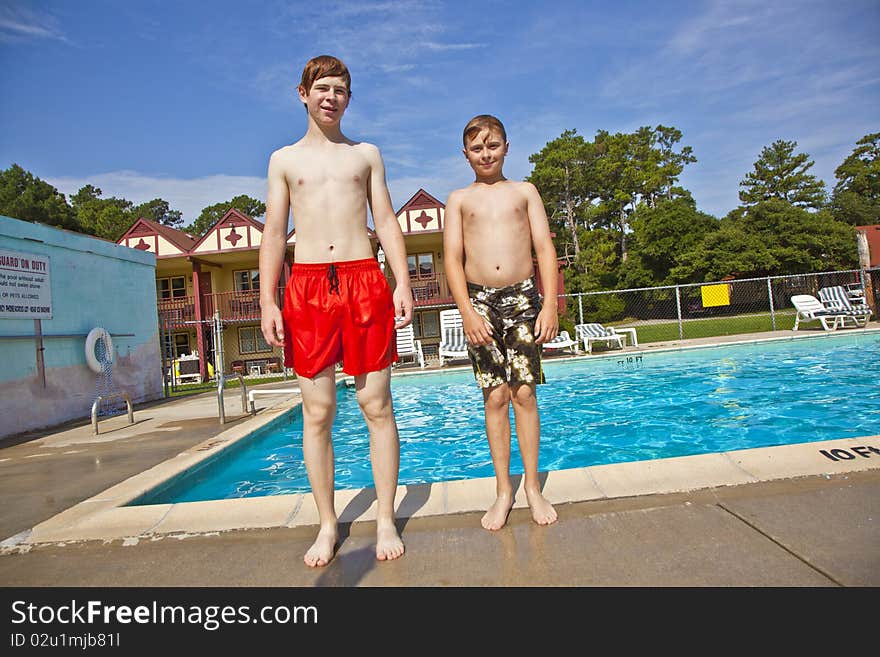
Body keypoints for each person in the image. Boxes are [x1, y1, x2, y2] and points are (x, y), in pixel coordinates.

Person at [259, 55, 412, 567]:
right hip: (306, 287)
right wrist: (266, 299)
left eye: (340, 90)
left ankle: (385, 517)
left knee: (377, 406)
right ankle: (328, 525)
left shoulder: (365, 155)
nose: (331, 97)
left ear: (349, 97)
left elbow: (386, 220)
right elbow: (274, 235)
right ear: (302, 93)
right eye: (321, 88)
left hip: (364, 280)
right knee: (318, 412)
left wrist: (402, 281)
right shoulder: (283, 160)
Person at [443, 114, 559, 531]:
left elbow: (545, 248)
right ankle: (503, 491)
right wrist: (467, 312)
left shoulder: (524, 191)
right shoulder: (458, 199)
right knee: (495, 398)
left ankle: (532, 487)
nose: (486, 154)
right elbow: (452, 260)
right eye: (477, 148)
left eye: (493, 146)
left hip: (524, 298)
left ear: (507, 147)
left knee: (524, 393)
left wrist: (550, 306)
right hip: (481, 304)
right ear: (466, 154)